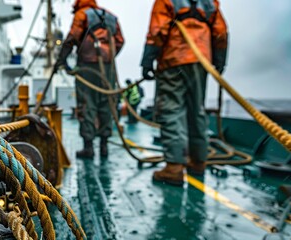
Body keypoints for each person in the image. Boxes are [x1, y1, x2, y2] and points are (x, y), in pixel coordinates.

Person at [141, 0, 228, 185]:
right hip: (201, 60)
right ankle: (198, 162)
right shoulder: (209, 3)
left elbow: (158, 29)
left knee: (171, 110)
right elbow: (220, 32)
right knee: (197, 109)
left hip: (174, 59)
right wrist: (219, 60)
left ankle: (174, 167)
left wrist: (148, 59)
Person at [55, 0, 125, 158]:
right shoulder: (111, 17)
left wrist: (62, 60)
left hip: (87, 67)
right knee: (107, 104)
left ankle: (88, 147)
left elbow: (72, 37)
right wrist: (108, 56)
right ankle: (104, 146)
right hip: (108, 69)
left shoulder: (82, 14)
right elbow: (120, 41)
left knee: (87, 105)